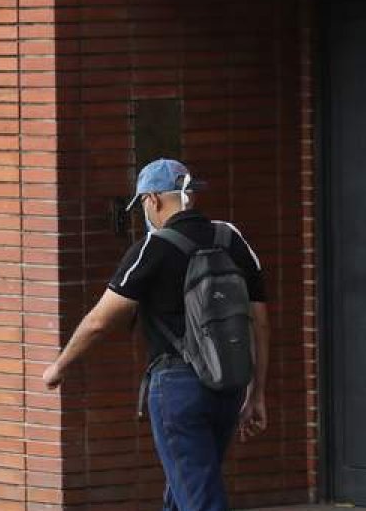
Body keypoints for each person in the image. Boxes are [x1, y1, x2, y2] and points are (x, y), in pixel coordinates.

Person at [42, 159, 270, 511]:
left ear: (152, 199)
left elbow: (99, 322)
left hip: (178, 388)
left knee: (198, 496)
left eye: (143, 205)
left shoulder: (153, 248)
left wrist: (59, 367)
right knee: (186, 488)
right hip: (230, 383)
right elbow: (259, 320)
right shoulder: (231, 239)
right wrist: (257, 392)